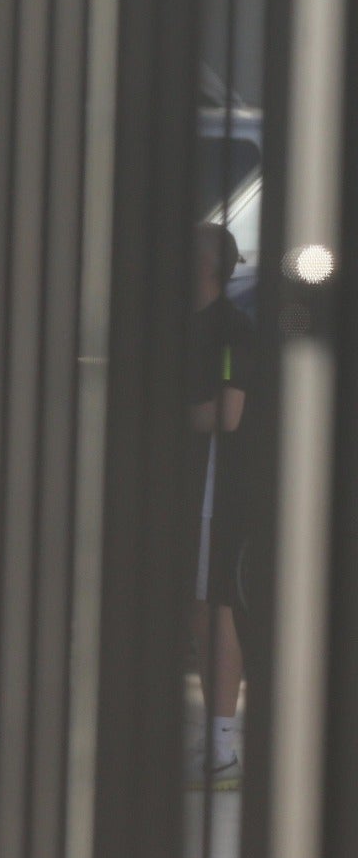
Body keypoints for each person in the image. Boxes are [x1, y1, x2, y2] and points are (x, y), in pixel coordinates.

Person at [186, 221, 252, 790]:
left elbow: (228, 415)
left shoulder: (233, 330)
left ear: (209, 263)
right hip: (182, 487)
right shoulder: (183, 325)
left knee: (214, 606)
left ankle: (225, 745)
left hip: (213, 487)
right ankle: (215, 735)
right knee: (196, 608)